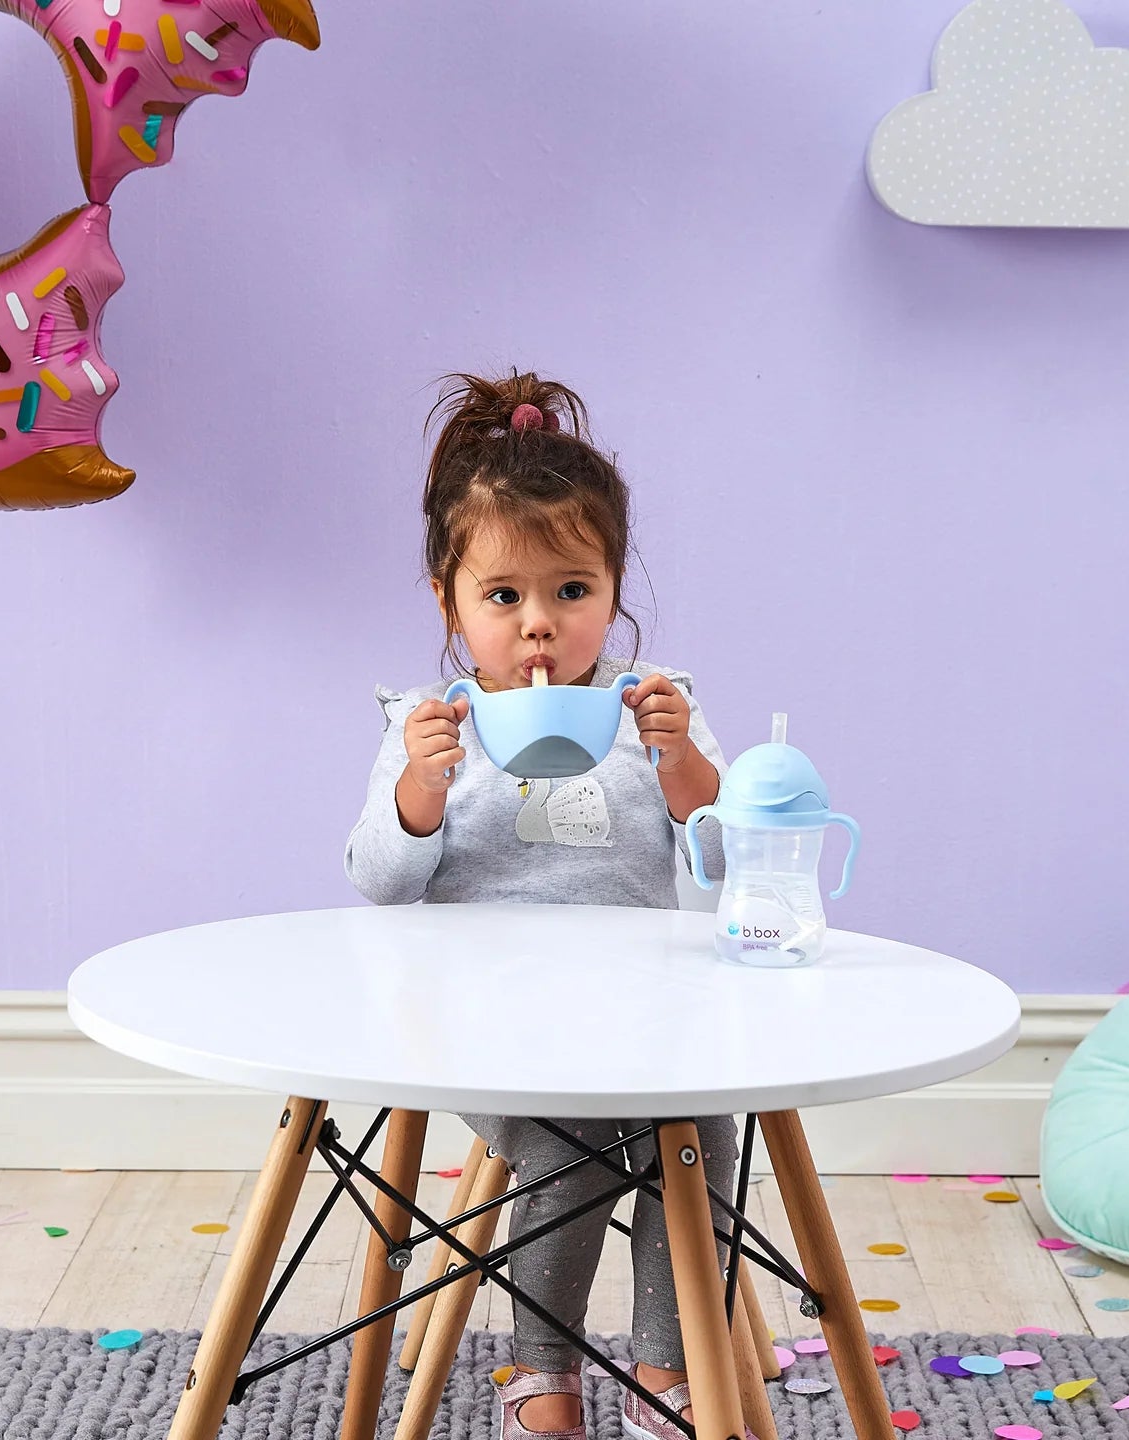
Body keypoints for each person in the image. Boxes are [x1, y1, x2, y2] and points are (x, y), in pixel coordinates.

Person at [345, 370, 742, 1440]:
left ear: (614, 592)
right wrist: (422, 787)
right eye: (504, 596)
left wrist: (686, 774)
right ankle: (541, 1376)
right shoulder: (432, 723)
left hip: (644, 1025)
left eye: (572, 591)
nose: (538, 629)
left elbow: (726, 878)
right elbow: (381, 883)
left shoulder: (659, 711)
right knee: (579, 1137)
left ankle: (669, 1368)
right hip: (488, 1030)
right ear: (450, 601)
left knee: (702, 1123)